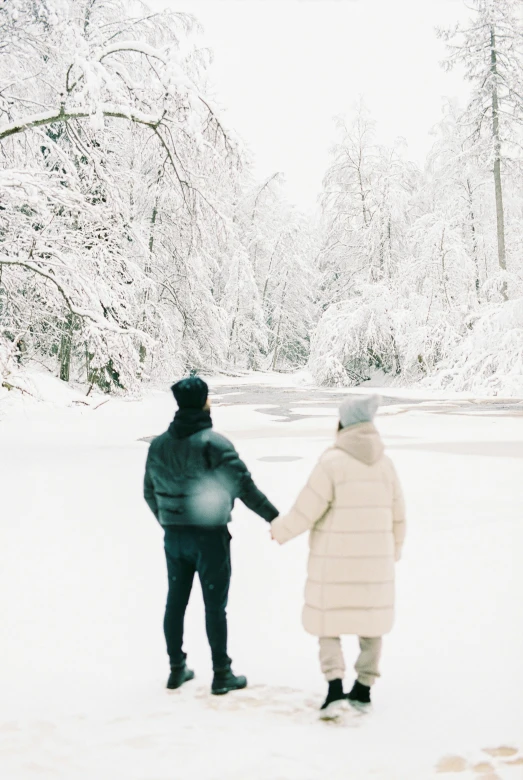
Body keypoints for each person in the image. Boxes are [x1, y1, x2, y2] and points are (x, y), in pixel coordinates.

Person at [270, 395, 406, 718]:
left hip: (334, 563)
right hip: (376, 564)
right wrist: (393, 552)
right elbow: (399, 516)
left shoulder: (331, 463)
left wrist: (281, 530)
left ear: (343, 424)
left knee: (328, 621)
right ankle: (363, 688)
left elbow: (307, 509)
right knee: (371, 623)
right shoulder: (386, 465)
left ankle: (334, 688)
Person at [144, 377, 279, 695]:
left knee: (175, 602)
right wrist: (275, 518)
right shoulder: (214, 443)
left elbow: (149, 492)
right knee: (214, 606)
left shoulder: (158, 445)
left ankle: (176, 670)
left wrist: (169, 523)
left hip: (175, 539)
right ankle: (222, 674)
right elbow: (244, 487)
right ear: (204, 402)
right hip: (210, 537)